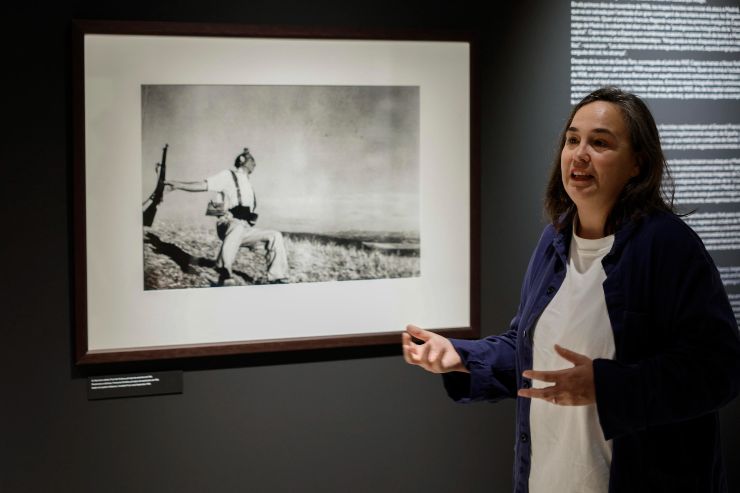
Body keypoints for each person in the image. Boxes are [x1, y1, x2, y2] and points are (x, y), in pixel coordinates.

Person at [402, 87, 740, 492]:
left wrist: (608, 385)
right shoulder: (554, 240)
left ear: (638, 164)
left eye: (599, 143)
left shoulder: (668, 247)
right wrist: (460, 355)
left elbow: (719, 370)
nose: (579, 154)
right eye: (572, 139)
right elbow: (529, 354)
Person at [166, 147, 289, 285]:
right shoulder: (228, 175)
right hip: (229, 225)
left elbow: (245, 213)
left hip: (244, 228)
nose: (255, 164)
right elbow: (204, 187)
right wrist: (177, 185)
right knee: (236, 227)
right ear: (243, 160)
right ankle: (225, 272)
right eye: (252, 160)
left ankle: (278, 278)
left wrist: (249, 219)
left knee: (275, 236)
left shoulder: (249, 185)